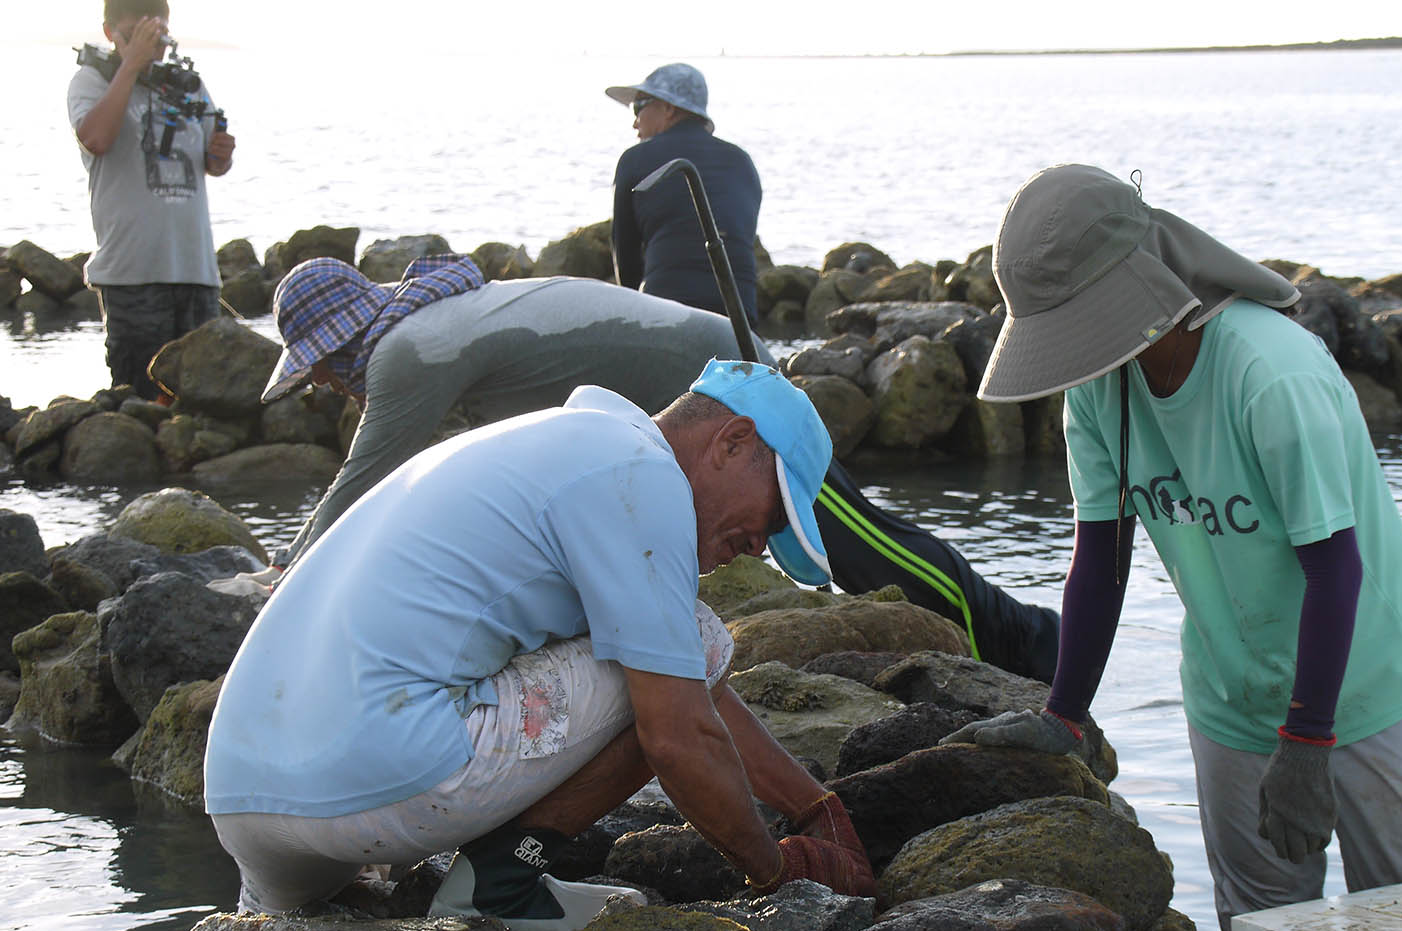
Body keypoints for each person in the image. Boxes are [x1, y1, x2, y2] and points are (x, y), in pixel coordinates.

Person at [948, 165, 1402, 931]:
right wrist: (1064, 715)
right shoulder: (1100, 389)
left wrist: (1309, 739)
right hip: (1232, 697)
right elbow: (1100, 558)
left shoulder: (1270, 372)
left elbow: (1335, 568)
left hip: (1373, 690)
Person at [203, 360, 876, 931]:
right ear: (732, 441)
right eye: (774, 516)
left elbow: (695, 698)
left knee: (668, 650)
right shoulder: (641, 477)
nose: (760, 546)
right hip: (376, 782)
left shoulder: (564, 440)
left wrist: (814, 807)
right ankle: (499, 884)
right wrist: (778, 872)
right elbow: (679, 734)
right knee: (695, 642)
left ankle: (263, 926)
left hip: (243, 801)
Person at [223, 254, 1061, 682]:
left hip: (719, 388)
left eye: (318, 367)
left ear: (344, 339)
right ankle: (1024, 634)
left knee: (855, 540)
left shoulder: (408, 352)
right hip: (690, 387)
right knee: (845, 536)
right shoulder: (432, 328)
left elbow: (365, 481)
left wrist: (282, 580)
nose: (322, 385)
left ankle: (1026, 640)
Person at [68, 0, 235, 399]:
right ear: (109, 33)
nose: (151, 47)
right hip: (132, 275)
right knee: (141, 401)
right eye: (136, 35)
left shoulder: (187, 84)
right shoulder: (92, 79)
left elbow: (213, 164)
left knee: (205, 402)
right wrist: (131, 64)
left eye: (158, 36)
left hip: (195, 271)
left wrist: (222, 154)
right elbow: (96, 138)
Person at [606, 63, 760, 320]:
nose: (635, 123)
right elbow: (742, 236)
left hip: (667, 314)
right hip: (739, 316)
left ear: (669, 108)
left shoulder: (634, 159)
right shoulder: (742, 161)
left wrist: (633, 321)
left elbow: (627, 259)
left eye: (638, 107)